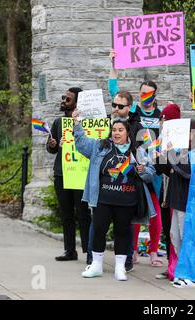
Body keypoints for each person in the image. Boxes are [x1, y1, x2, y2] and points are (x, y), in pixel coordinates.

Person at [71, 109, 155, 281]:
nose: (116, 133)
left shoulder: (138, 151)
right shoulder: (100, 146)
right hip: (103, 199)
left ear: (127, 133)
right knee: (99, 230)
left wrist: (143, 170)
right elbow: (81, 144)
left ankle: (120, 268)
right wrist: (77, 123)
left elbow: (151, 173)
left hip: (127, 201)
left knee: (122, 232)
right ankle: (96, 266)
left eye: (120, 130)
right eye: (114, 130)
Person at [109, 50, 163, 268]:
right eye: (143, 93)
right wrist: (113, 63)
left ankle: (153, 251)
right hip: (134, 166)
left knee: (155, 211)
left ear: (155, 94)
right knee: (133, 210)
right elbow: (114, 91)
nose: (145, 96)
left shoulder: (163, 114)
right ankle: (131, 252)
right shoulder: (134, 111)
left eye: (149, 93)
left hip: (154, 169)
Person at [155, 120, 195, 288]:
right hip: (177, 201)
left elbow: (186, 172)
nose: (185, 134)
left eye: (188, 131)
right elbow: (168, 170)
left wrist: (171, 154)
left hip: (189, 202)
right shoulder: (184, 151)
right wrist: (162, 155)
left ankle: (191, 276)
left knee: (188, 239)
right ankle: (183, 271)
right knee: (175, 237)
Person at [46, 87, 92, 263]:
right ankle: (69, 250)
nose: (64, 101)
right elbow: (52, 149)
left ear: (77, 103)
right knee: (66, 214)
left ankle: (89, 252)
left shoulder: (87, 123)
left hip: (81, 174)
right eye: (64, 97)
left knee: (83, 214)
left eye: (68, 99)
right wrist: (52, 144)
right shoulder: (59, 123)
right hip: (62, 173)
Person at [154, 103, 182, 281]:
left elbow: (177, 166)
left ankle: (179, 265)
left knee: (179, 230)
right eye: (162, 119)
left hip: (178, 191)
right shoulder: (163, 140)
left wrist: (164, 162)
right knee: (168, 230)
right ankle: (171, 264)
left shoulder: (182, 140)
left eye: (165, 119)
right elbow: (161, 168)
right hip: (166, 190)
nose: (162, 122)